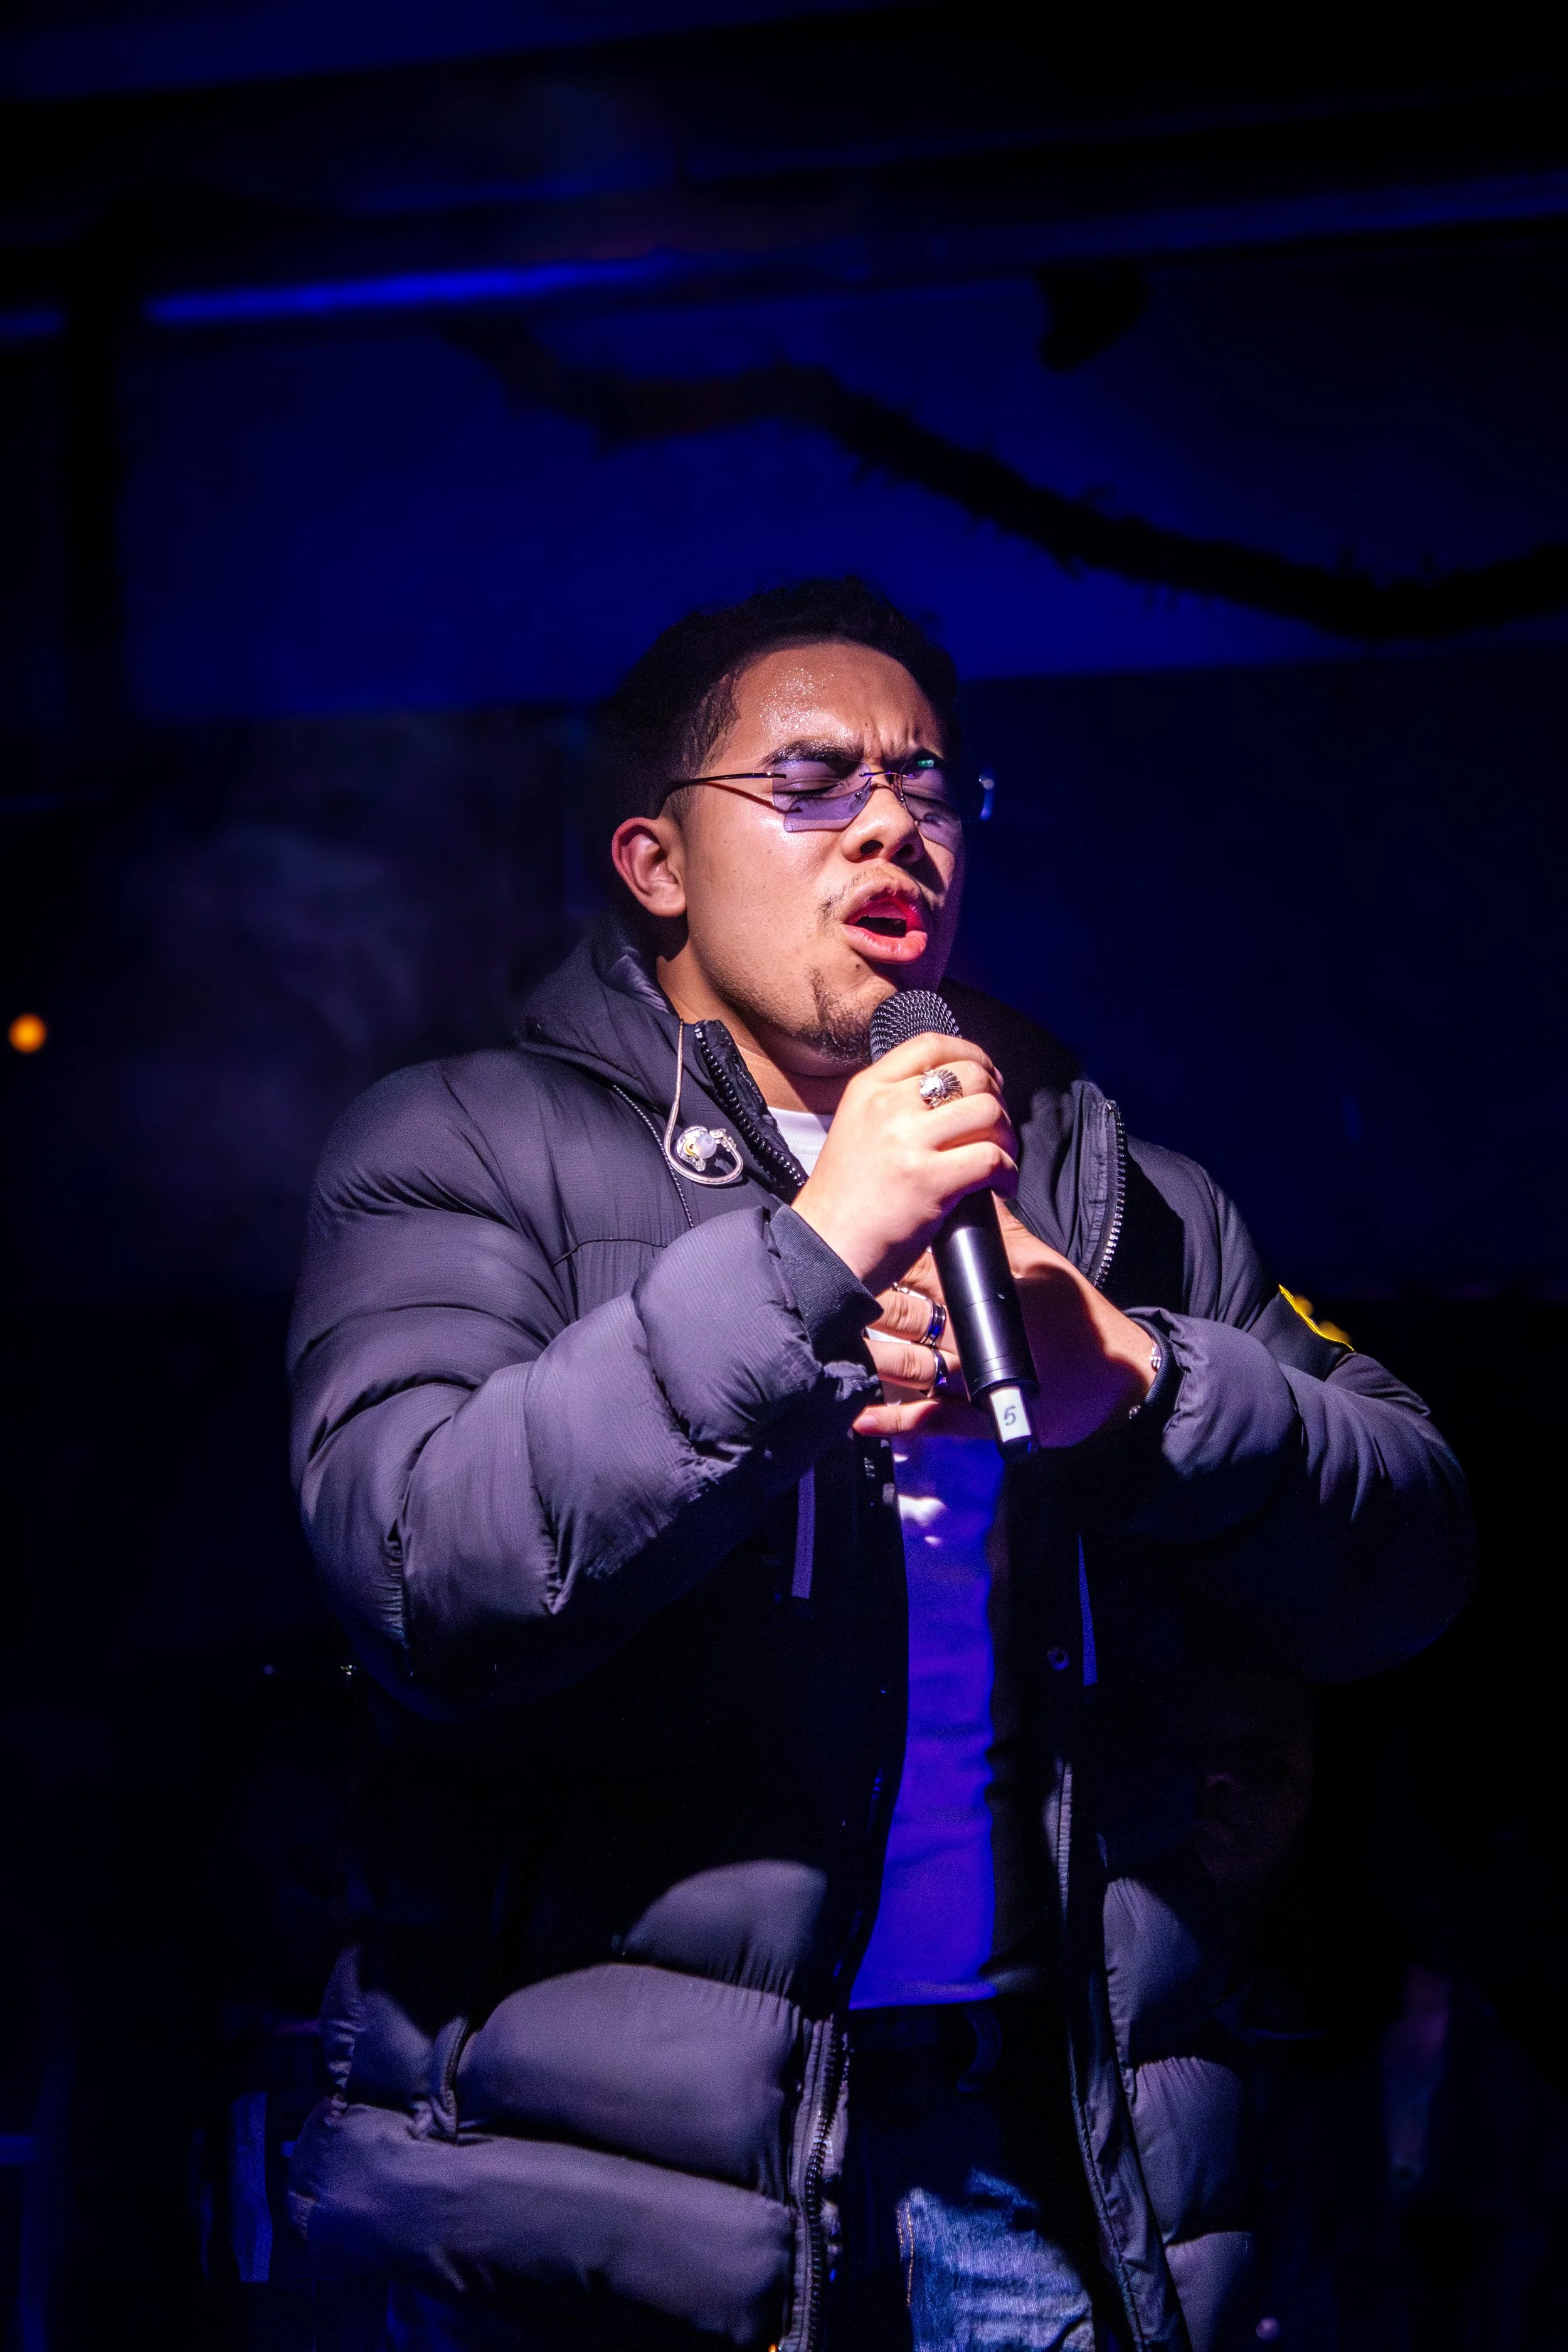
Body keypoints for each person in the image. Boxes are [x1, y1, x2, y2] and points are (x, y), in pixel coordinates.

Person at [284, 578, 1471, 2352]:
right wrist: (802, 1262)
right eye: (815, 779)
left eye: (927, 786)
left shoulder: (1107, 1189)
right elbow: (420, 1571)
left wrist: (1138, 1387)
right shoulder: (463, 1144)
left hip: (1034, 2143)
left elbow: (1410, 1550)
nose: (891, 824)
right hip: (610, 2192)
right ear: (655, 860)